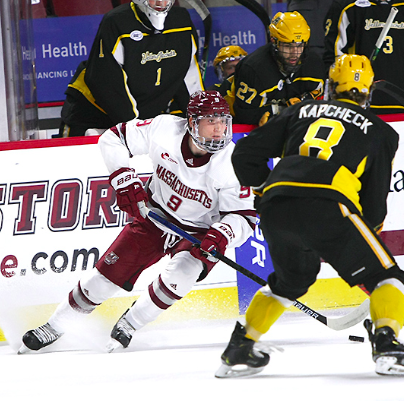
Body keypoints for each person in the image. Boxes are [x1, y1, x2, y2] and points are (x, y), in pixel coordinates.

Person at [215, 54, 404, 378]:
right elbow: (374, 201)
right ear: (369, 91)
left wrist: (265, 187)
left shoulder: (299, 111)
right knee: (389, 278)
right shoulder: (381, 132)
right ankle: (387, 343)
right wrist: (362, 237)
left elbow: (245, 153)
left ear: (331, 86)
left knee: (291, 281)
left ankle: (240, 348)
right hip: (329, 206)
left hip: (276, 206)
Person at [19, 90, 257, 354]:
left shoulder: (234, 162)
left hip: (199, 233)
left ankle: (130, 324)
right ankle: (54, 326)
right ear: (191, 122)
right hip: (154, 216)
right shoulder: (164, 129)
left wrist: (222, 235)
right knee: (103, 279)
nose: (220, 129)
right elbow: (113, 138)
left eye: (223, 121)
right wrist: (122, 177)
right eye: (211, 121)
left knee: (182, 275)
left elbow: (245, 216)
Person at [57, 0, 204, 137]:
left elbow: (189, 76)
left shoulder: (182, 23)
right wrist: (136, 125)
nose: (161, 3)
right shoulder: (117, 22)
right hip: (90, 115)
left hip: (138, 121)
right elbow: (106, 81)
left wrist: (199, 116)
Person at [226, 11, 326, 126]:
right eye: (288, 46)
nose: (295, 53)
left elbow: (318, 102)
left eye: (300, 45)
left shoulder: (314, 65)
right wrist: (283, 109)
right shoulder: (254, 68)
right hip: (230, 118)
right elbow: (245, 115)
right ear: (274, 41)